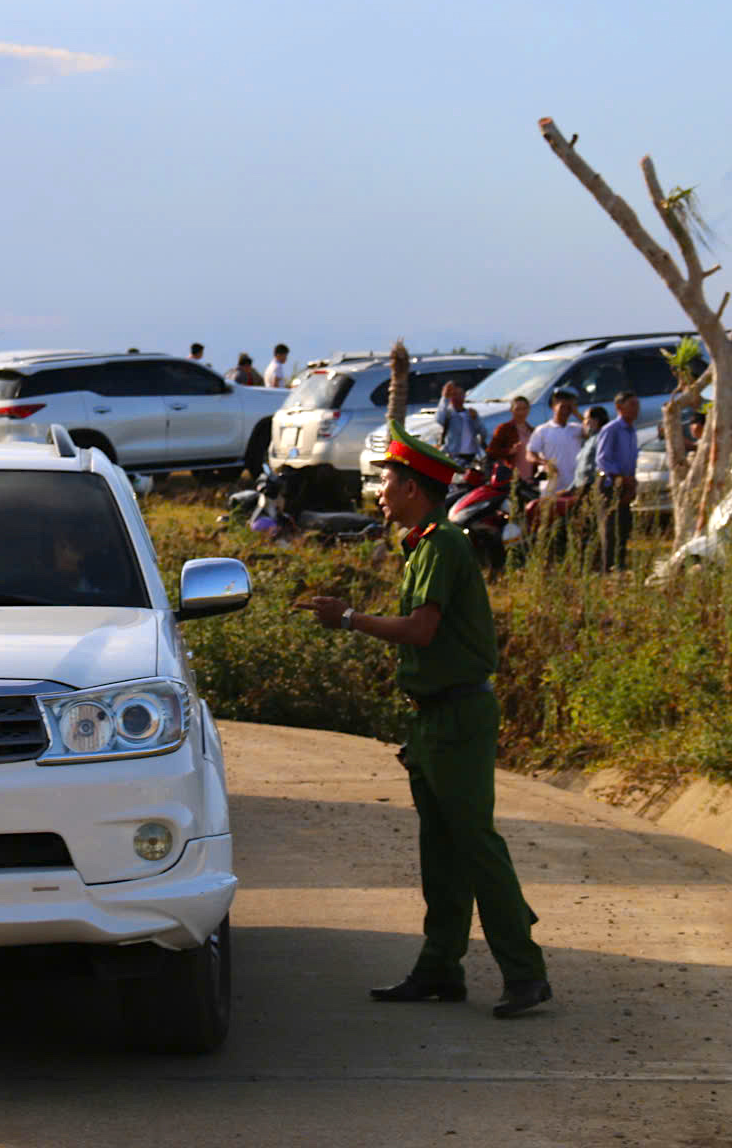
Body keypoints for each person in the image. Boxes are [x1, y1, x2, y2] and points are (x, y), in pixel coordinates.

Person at [292, 423, 551, 1018]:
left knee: (475, 844)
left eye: (386, 481)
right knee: (441, 850)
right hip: (436, 716)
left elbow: (421, 630)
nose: (380, 492)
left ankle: (525, 971)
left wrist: (350, 619)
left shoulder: (442, 544)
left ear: (412, 488)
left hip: (458, 715)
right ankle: (440, 968)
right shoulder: (423, 545)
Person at [596, 391, 641, 571]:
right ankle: (607, 566)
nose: (636, 409)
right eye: (632, 405)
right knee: (610, 526)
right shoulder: (612, 429)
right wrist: (620, 478)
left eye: (637, 405)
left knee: (624, 524)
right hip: (610, 483)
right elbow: (603, 459)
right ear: (619, 407)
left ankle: (620, 563)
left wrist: (631, 481)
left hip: (626, 483)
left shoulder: (631, 431)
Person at [526, 388, 584, 493]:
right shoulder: (542, 430)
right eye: (562, 407)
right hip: (551, 488)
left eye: (568, 408)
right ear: (553, 407)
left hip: (574, 486)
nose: (565, 411)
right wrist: (544, 463)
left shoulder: (577, 429)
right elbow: (530, 454)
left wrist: (576, 413)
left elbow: (594, 431)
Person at [485, 396, 535, 483]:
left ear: (529, 410)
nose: (521, 412)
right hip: (511, 477)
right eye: (517, 409)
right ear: (511, 410)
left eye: (524, 409)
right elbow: (491, 451)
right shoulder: (504, 428)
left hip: (530, 477)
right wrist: (509, 451)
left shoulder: (532, 430)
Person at [438, 381, 487, 463]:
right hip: (453, 455)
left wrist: (475, 419)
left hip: (472, 455)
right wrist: (445, 398)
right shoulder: (449, 414)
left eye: (460, 394)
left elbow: (483, 433)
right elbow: (440, 419)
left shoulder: (470, 413)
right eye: (454, 394)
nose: (458, 397)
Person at [570, 405, 610, 491]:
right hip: (582, 488)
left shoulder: (602, 438)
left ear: (596, 420)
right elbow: (581, 469)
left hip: (593, 487)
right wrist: (570, 489)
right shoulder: (589, 440)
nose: (584, 422)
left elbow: (603, 466)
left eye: (586, 419)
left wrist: (599, 486)